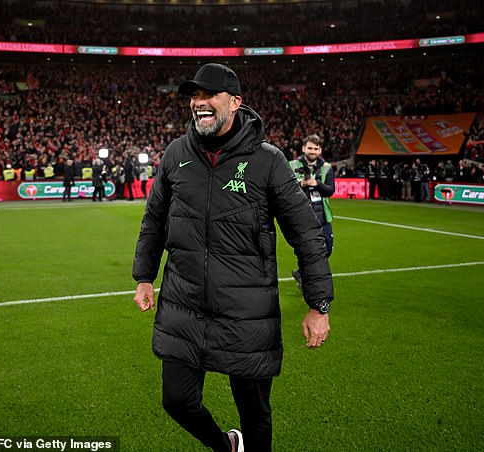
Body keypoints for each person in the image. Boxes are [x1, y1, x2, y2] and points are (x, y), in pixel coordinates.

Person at [132, 63, 334, 452]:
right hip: (184, 306)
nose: (199, 103)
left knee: (255, 416)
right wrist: (144, 275)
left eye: (209, 95)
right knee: (177, 400)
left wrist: (318, 303)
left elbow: (306, 233)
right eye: (194, 96)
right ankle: (225, 446)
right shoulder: (176, 154)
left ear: (236, 102)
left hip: (247, 313)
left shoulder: (268, 160)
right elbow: (154, 218)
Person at [289, 134, 335, 290]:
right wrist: (301, 183)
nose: (313, 151)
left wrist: (316, 184)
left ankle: (300, 273)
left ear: (320, 150)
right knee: (306, 251)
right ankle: (307, 279)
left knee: (327, 249)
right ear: (303, 148)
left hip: (322, 216)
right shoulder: (292, 165)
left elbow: (330, 191)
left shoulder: (327, 167)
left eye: (316, 148)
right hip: (302, 216)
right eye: (310, 148)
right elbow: (286, 189)